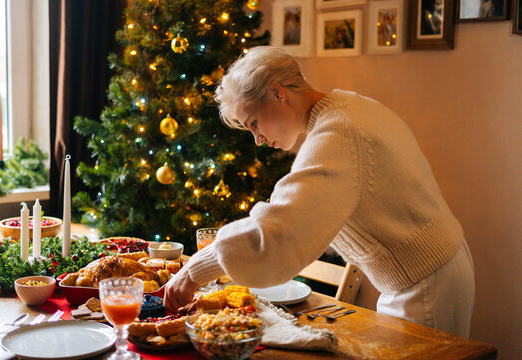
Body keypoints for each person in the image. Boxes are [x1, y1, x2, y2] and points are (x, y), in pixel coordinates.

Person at [163, 46, 475, 337]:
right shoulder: (347, 106)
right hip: (431, 272)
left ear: (277, 92)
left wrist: (195, 270)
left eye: (254, 122)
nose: (257, 139)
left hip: (425, 284)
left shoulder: (338, 130)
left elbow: (281, 229)